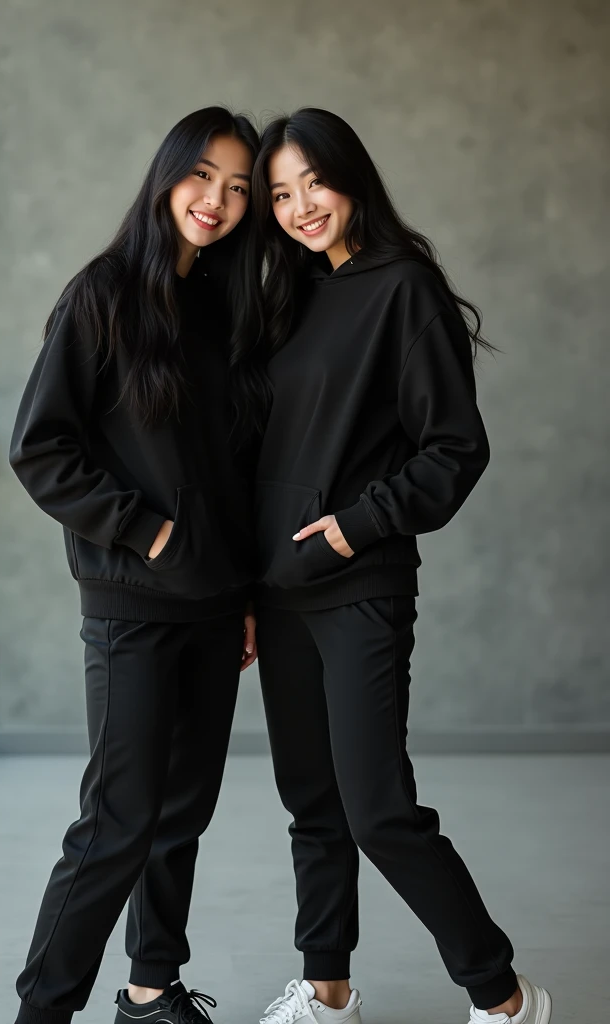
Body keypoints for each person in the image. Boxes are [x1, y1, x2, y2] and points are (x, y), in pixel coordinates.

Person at [249, 108, 552, 1024]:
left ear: (351, 178)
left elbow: (455, 447)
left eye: (313, 182)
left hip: (359, 584)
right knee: (312, 800)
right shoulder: (293, 294)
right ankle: (326, 987)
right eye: (279, 193)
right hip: (280, 591)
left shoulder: (403, 288)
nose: (301, 206)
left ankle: (503, 998)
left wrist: (354, 526)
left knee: (378, 807)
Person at [9, 106, 262, 1024]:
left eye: (239, 187)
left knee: (183, 812)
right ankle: (43, 1011)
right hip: (133, 604)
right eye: (203, 176)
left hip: (211, 604)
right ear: (167, 177)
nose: (218, 200)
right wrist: (147, 534)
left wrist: (238, 593)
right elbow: (41, 449)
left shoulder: (221, 307)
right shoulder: (103, 293)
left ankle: (150, 991)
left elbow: (233, 471)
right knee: (116, 821)